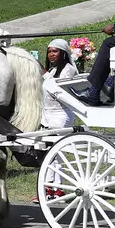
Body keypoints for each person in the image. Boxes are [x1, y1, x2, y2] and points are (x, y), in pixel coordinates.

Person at [34, 39, 79, 203]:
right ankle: (50, 188)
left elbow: (58, 90)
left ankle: (56, 188)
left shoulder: (69, 70)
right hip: (47, 115)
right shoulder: (53, 70)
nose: (51, 55)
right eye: (49, 51)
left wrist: (43, 72)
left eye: (55, 51)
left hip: (61, 116)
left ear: (63, 53)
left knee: (55, 153)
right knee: (48, 153)